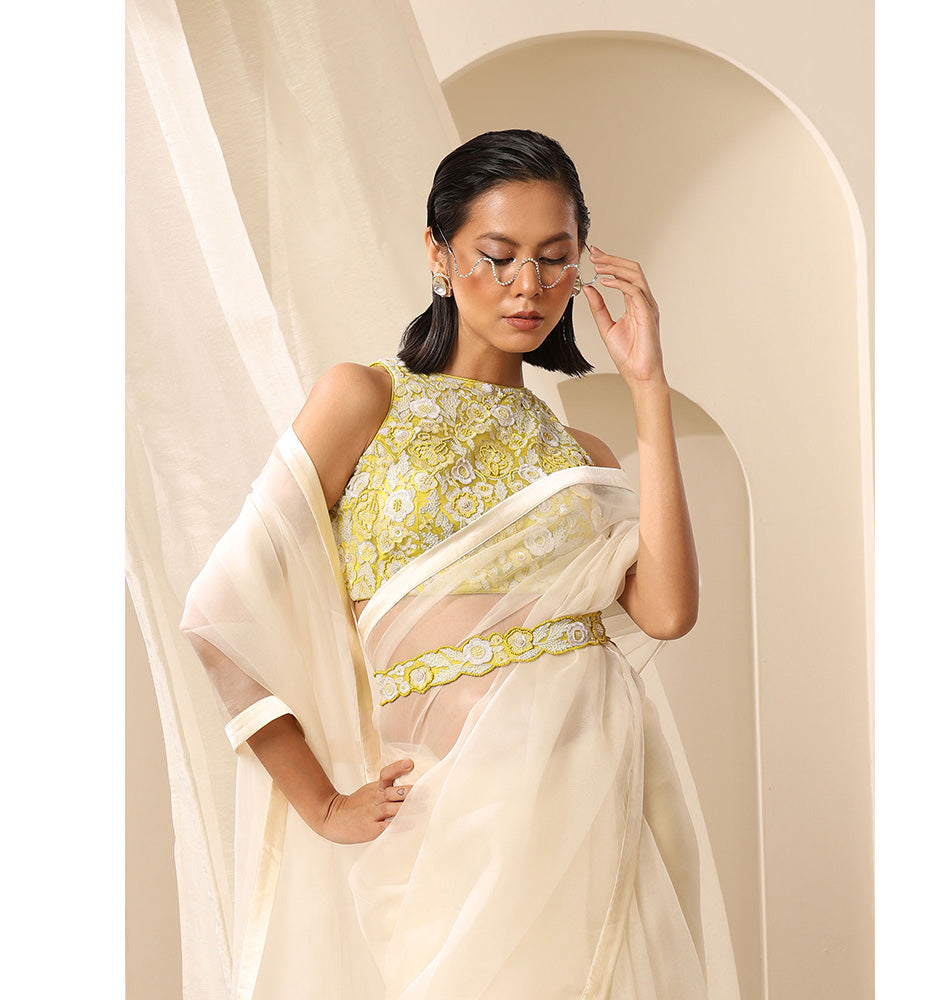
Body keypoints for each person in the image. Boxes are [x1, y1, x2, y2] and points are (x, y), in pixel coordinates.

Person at [181, 129, 734, 999]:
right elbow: (220, 611)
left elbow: (667, 611)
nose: (529, 286)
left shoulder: (579, 453)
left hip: (602, 791)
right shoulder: (364, 400)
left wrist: (647, 387)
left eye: (555, 258)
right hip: (453, 823)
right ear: (439, 254)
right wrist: (321, 803)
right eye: (499, 256)